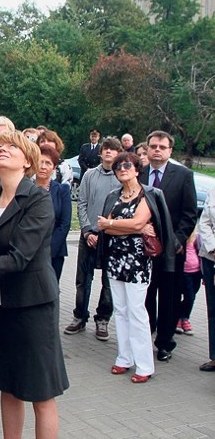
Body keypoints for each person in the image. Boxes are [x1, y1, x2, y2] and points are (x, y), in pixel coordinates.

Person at [0, 130, 68, 438]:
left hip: (34, 304)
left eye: (11, 147)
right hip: (4, 301)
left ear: (28, 162)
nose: (2, 150)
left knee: (39, 390)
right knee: (8, 385)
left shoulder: (38, 199)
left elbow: (19, 257)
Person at [97, 151, 175, 383]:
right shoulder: (114, 196)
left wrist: (116, 224)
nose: (122, 169)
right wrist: (127, 227)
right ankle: (124, 358)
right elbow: (105, 228)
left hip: (138, 261)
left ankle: (144, 365)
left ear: (137, 169)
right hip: (115, 259)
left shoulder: (148, 194)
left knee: (137, 311)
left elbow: (139, 221)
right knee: (120, 310)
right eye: (118, 166)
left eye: (127, 165)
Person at [140, 130, 197, 362]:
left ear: (170, 151)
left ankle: (164, 342)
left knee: (169, 297)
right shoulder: (138, 172)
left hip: (173, 249)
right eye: (153, 146)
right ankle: (145, 337)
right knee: (145, 295)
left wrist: (177, 241)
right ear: (147, 148)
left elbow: (189, 214)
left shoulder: (183, 175)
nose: (157, 150)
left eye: (162, 147)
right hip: (142, 248)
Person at [64, 137, 122, 339]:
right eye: (106, 149)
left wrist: (107, 230)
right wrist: (88, 231)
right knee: (83, 279)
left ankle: (103, 319)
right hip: (88, 235)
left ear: (118, 154)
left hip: (111, 237)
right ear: (101, 152)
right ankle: (80, 316)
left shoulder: (121, 177)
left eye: (113, 150)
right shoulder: (89, 175)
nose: (108, 153)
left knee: (109, 281)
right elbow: (82, 203)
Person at [35, 144, 72, 281]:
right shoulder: (25, 188)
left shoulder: (62, 190)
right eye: (40, 162)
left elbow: (65, 223)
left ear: (54, 168)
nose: (43, 166)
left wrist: (49, 250)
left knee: (50, 290)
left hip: (54, 252)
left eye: (48, 163)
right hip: (28, 251)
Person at [198, 187, 215, 371]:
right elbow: (204, 222)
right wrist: (213, 248)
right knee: (213, 308)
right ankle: (214, 356)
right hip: (212, 256)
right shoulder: (214, 189)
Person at [176, 227, 200, 335]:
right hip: (184, 272)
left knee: (192, 296)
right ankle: (182, 318)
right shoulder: (180, 239)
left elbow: (200, 252)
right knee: (188, 296)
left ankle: (182, 317)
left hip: (196, 272)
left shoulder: (196, 237)